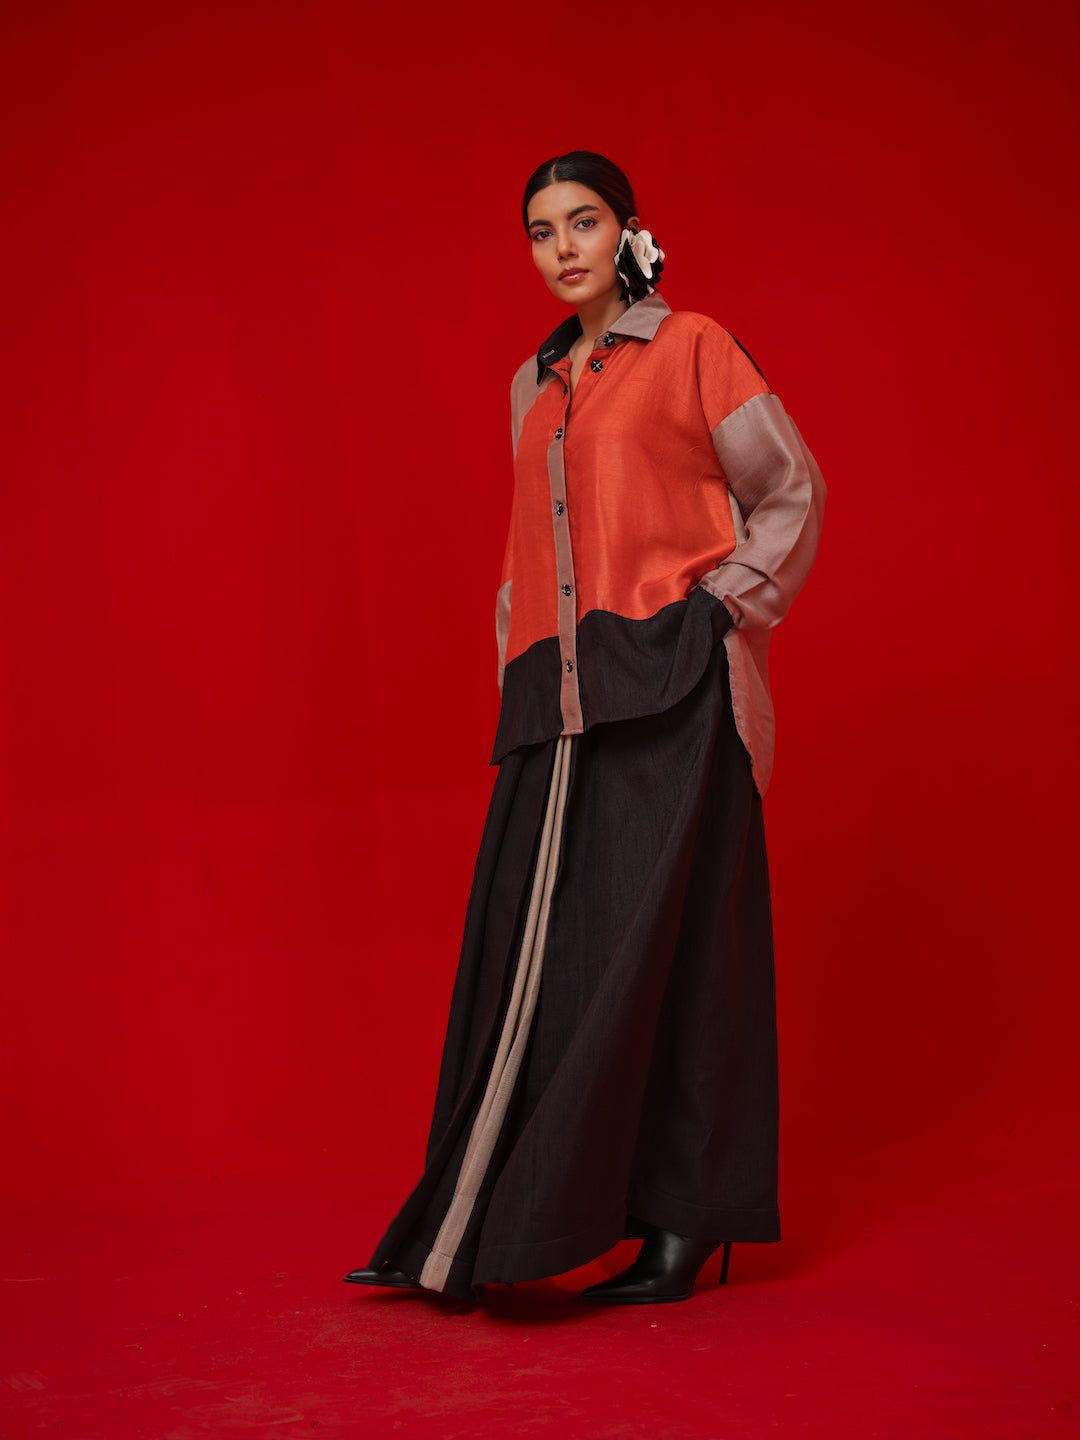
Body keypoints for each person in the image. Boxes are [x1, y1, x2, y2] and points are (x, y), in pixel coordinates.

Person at [344, 150, 825, 1305]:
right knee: (534, 962)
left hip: (675, 682)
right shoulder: (534, 382)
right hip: (558, 696)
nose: (563, 247)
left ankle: (682, 1224)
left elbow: (791, 491)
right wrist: (520, 666)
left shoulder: (693, 346)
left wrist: (715, 614)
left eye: (584, 221)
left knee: (676, 954)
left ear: (628, 231)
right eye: (541, 229)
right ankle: (475, 1225)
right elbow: (531, 551)